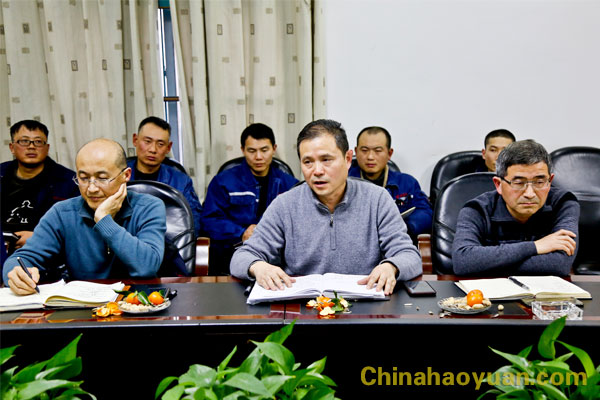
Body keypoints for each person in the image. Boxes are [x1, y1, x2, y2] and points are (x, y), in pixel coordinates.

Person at [230, 119, 422, 295]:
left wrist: (391, 266)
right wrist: (258, 266)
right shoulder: (285, 205)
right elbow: (242, 256)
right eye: (308, 162)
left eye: (326, 160)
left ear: (348, 159)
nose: (317, 171)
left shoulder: (377, 199)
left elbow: (409, 255)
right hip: (303, 307)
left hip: (365, 305)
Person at [3, 138, 166, 294]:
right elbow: (22, 258)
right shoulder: (62, 213)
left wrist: (104, 220)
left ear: (126, 175)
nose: (92, 188)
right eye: (84, 178)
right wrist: (16, 273)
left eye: (102, 178)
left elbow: (147, 266)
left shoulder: (149, 207)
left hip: (137, 303)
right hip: (83, 305)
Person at [452, 140, 579, 276]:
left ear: (550, 181)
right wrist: (536, 246)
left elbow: (559, 264)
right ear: (498, 184)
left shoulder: (563, 203)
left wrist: (488, 263)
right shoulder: (476, 209)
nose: (530, 194)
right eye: (518, 183)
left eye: (539, 182)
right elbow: (463, 261)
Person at [202, 123, 298, 275]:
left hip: (275, 259)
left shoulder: (290, 184)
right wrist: (241, 233)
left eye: (264, 150)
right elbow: (209, 220)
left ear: (274, 148)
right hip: (230, 255)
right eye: (252, 151)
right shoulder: (223, 181)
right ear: (243, 150)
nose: (258, 157)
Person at [1, 120, 79, 252]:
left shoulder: (69, 181)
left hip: (46, 252)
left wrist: (40, 238)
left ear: (47, 148)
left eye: (38, 142)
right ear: (12, 147)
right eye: (24, 141)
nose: (31, 147)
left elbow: (78, 227)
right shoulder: (1, 173)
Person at [348, 126, 432, 241]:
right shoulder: (344, 182)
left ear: (389, 153)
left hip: (395, 240)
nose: (370, 157)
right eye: (364, 150)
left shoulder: (407, 183)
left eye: (378, 151)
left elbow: (426, 214)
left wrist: (404, 226)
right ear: (356, 151)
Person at [128, 116, 203, 236]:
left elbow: (194, 222)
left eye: (160, 144)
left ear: (168, 147)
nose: (153, 149)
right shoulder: (117, 176)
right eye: (147, 141)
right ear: (135, 140)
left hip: (167, 241)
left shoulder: (181, 181)